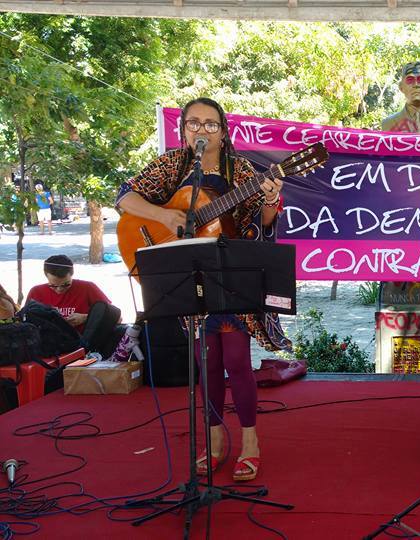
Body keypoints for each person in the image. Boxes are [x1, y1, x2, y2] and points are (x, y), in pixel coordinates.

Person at [116, 97, 290, 482]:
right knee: (206, 363)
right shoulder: (172, 165)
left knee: (237, 361)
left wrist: (270, 198)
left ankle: (250, 442)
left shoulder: (240, 170)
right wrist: (165, 215)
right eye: (194, 123)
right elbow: (124, 195)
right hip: (188, 278)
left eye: (211, 124)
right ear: (183, 131)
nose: (202, 130)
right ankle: (213, 439)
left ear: (223, 133)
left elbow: (261, 223)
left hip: (230, 278)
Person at [26, 254, 121, 355]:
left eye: (66, 284)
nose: (59, 289)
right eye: (53, 285)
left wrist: (86, 318)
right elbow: (25, 324)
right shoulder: (36, 292)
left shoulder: (87, 288)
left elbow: (117, 318)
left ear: (72, 274)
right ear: (46, 276)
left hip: (85, 348)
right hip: (48, 349)